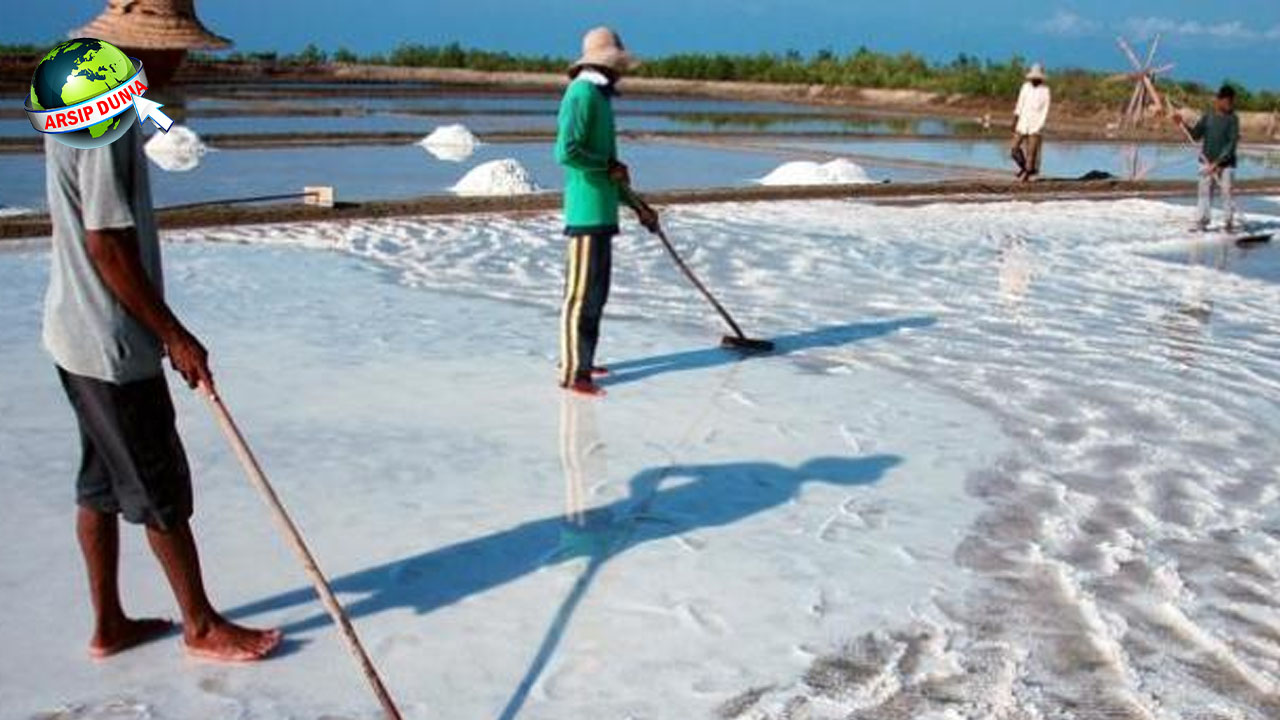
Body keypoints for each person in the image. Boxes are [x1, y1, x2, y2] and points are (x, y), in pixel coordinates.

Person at [44, 124, 282, 661]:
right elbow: (105, 244)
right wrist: (172, 335)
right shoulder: (106, 124)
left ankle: (109, 625)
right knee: (159, 487)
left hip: (75, 332)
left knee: (100, 482)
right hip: (112, 343)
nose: (179, 61)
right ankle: (200, 624)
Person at [554, 26, 658, 397]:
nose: (621, 73)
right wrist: (607, 166)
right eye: (618, 66)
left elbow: (610, 169)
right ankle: (572, 372)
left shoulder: (600, 98)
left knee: (596, 295)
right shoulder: (580, 94)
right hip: (585, 214)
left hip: (603, 213)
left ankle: (584, 359)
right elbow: (567, 151)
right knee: (580, 297)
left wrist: (640, 207)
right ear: (605, 65)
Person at [1173, 85, 1241, 232]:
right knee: (1204, 193)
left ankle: (1228, 223)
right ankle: (1202, 223)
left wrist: (1218, 164)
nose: (1230, 105)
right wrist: (1181, 124)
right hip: (1205, 161)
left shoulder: (1233, 119)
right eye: (1228, 102)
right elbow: (1195, 135)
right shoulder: (1208, 117)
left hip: (1226, 164)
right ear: (1219, 100)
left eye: (1232, 102)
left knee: (1226, 192)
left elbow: (1231, 144)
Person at [1012, 64, 1051, 182]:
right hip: (1023, 122)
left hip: (1035, 125)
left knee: (1031, 152)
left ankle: (1027, 174)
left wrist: (1039, 126)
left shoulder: (1045, 91)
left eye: (1036, 78)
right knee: (1014, 149)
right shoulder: (1025, 87)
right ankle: (1024, 168)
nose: (1034, 79)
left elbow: (1045, 110)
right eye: (1033, 77)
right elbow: (1019, 104)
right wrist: (1014, 120)